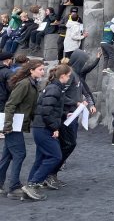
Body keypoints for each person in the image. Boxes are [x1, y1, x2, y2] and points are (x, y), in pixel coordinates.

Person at [23, 63, 72, 201]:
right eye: (68, 76)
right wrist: (54, 128)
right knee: (55, 156)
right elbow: (46, 111)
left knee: (41, 158)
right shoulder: (55, 89)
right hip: (43, 128)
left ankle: (30, 186)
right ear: (62, 76)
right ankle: (32, 184)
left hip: (40, 127)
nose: (69, 79)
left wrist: (64, 114)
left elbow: (50, 108)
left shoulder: (52, 88)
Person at [51, 49, 98, 187]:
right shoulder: (68, 76)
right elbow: (59, 94)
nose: (85, 64)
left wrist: (90, 103)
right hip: (65, 115)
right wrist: (75, 103)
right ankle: (52, 171)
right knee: (68, 143)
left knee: (70, 143)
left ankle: (53, 172)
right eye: (83, 61)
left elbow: (85, 91)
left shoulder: (76, 74)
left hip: (74, 114)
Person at [0, 60, 46, 200]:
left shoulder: (32, 84)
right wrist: (7, 125)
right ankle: (14, 188)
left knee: (8, 155)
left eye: (43, 69)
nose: (43, 72)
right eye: (40, 69)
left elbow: (30, 108)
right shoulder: (25, 84)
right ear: (31, 71)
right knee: (20, 154)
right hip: (14, 125)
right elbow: (10, 104)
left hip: (17, 124)